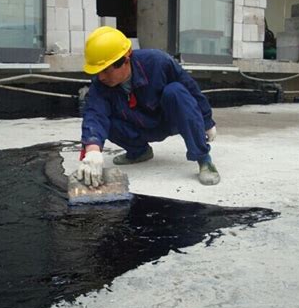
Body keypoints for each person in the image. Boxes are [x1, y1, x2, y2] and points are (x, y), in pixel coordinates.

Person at [76, 26, 220, 188]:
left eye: (105, 71)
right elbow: (94, 115)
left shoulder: (158, 62)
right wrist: (93, 150)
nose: (101, 77)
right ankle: (139, 152)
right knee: (101, 119)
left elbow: (191, 89)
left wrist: (207, 121)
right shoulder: (100, 85)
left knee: (176, 91)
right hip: (137, 126)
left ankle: (204, 160)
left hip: (167, 120)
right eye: (97, 72)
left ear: (126, 59)